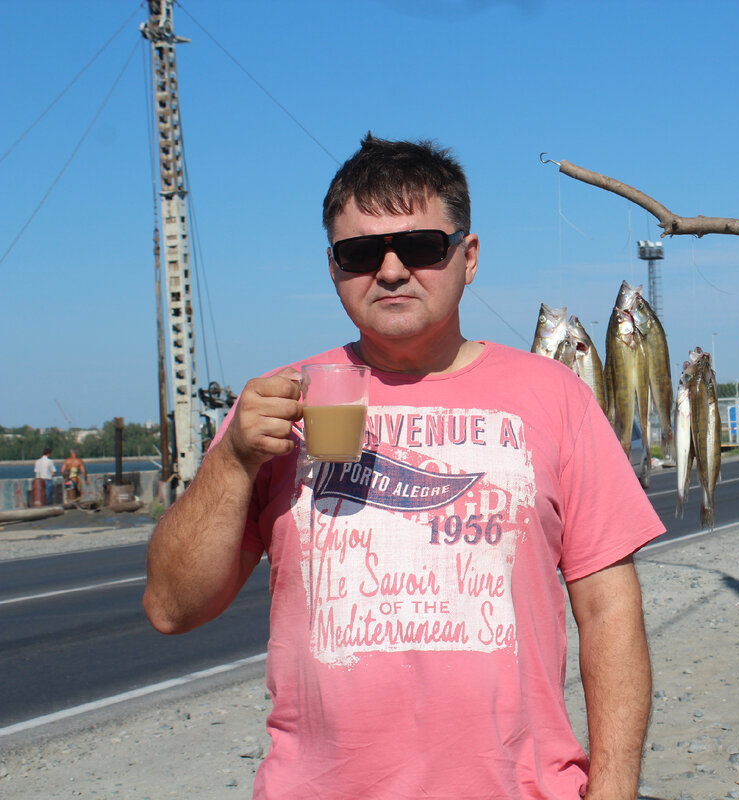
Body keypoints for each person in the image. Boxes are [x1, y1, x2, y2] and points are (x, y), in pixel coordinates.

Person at [143, 135, 663, 799]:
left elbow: (608, 609)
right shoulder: (275, 405)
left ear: (466, 257)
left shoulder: (554, 395)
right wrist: (235, 463)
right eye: (360, 254)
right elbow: (170, 608)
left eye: (419, 246)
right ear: (333, 268)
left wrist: (615, 788)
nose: (390, 270)